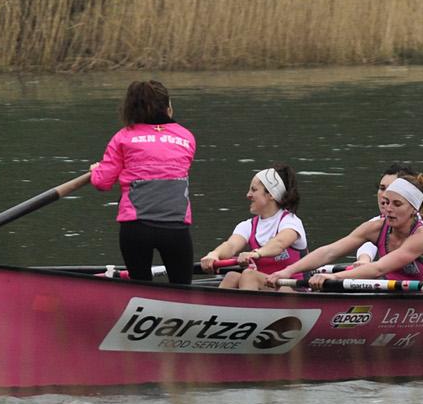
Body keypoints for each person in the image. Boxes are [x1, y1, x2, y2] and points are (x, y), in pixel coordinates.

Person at [90, 79, 196, 285]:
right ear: (168, 107)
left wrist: (97, 171)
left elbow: (102, 182)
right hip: (176, 228)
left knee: (141, 286)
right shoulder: (187, 137)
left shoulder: (122, 138)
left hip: (137, 229)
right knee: (183, 289)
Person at [266, 172, 423, 288]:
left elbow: (378, 268)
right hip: (391, 291)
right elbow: (330, 252)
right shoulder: (376, 228)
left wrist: (335, 277)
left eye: (397, 204)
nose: (388, 209)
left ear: (414, 209)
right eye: (386, 202)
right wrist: (288, 271)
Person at [199, 165, 307, 290]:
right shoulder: (247, 226)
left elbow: (279, 243)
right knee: (232, 276)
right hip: (268, 287)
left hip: (294, 289)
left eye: (254, 190)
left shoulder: (291, 221)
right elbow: (231, 246)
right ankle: (219, 308)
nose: (248, 195)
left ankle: (244, 307)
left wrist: (256, 254)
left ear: (271, 194)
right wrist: (214, 254)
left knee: (249, 275)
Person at [355, 162, 423, 264]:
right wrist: (364, 259)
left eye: (393, 189)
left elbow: (379, 269)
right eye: (382, 188)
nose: (385, 195)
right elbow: (368, 241)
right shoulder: (376, 223)